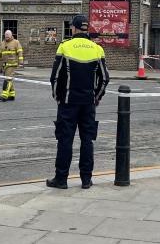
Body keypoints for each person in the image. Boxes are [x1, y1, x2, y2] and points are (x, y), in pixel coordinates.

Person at [47, 14, 110, 190]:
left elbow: (55, 77)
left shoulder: (65, 47)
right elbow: (105, 78)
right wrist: (96, 97)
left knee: (65, 140)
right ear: (86, 29)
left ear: (73, 29)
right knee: (87, 140)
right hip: (88, 103)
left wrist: (58, 97)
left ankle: (61, 179)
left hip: (68, 102)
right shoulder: (97, 49)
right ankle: (86, 180)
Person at [0, 29, 24, 102]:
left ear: (11, 35)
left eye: (8, 36)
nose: (6, 37)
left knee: (8, 79)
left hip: (12, 64)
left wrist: (21, 62)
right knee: (9, 79)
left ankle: (4, 95)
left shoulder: (16, 42)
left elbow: (20, 52)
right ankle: (11, 94)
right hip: (5, 65)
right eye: (5, 36)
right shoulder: (2, 43)